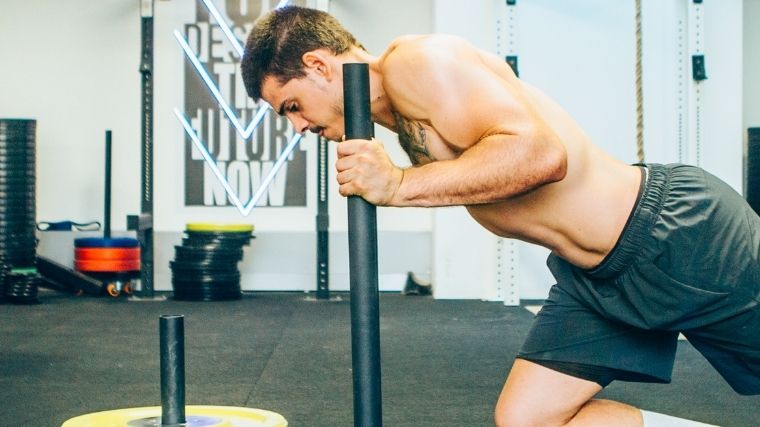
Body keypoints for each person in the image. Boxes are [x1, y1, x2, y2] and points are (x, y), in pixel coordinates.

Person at [241, 6, 760, 426]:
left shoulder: (416, 62)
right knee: (528, 419)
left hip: (677, 236)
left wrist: (399, 183)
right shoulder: (401, 116)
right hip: (598, 280)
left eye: (291, 106)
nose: (299, 126)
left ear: (318, 65)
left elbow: (540, 156)